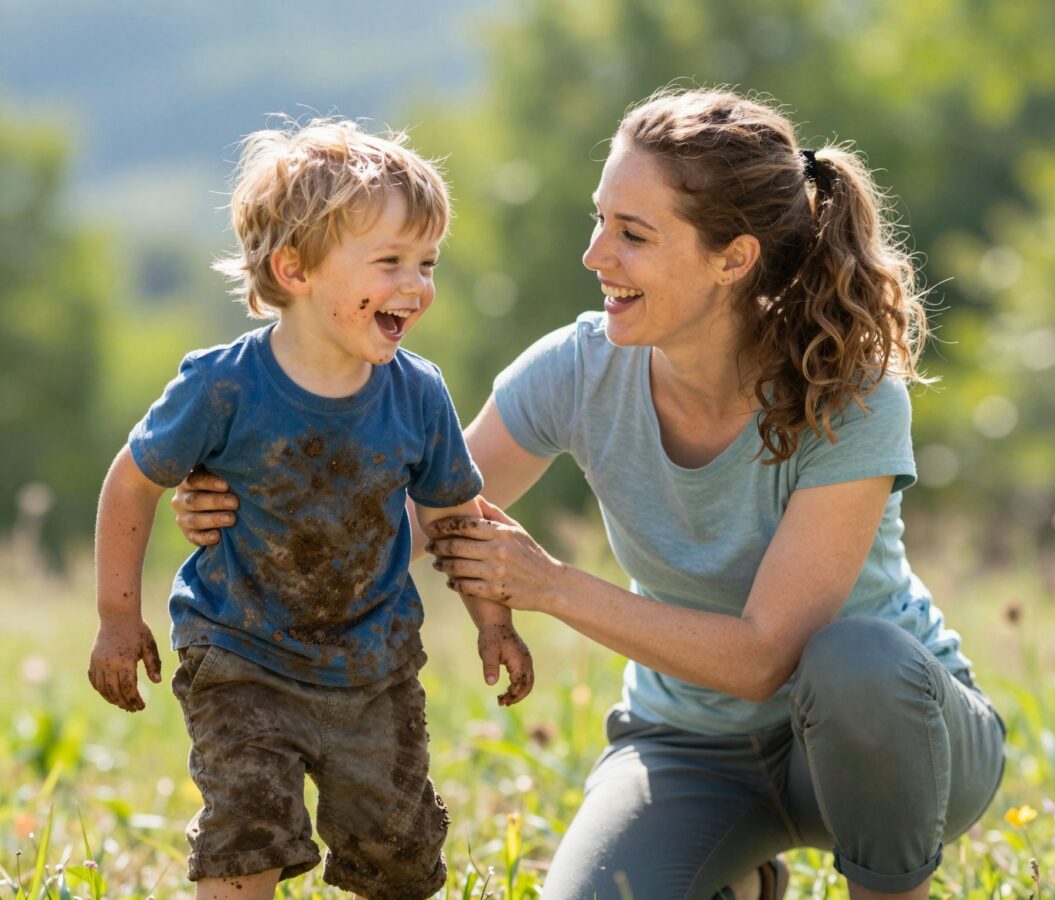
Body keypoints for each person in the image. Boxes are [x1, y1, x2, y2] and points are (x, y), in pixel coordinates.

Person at [173, 89, 1006, 899]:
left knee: (856, 661)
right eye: (599, 219)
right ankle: (739, 880)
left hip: (897, 742)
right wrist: (256, 513)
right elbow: (414, 517)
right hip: (692, 747)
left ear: (734, 259)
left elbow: (763, 660)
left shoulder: (850, 394)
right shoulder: (579, 368)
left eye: (632, 234)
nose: (595, 254)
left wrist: (552, 587)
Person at [88, 118, 534, 900]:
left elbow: (454, 516)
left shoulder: (418, 394)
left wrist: (493, 622)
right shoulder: (223, 387)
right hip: (241, 653)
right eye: (390, 262)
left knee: (396, 852)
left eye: (427, 263)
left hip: (374, 664)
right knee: (247, 825)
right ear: (293, 268)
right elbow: (132, 482)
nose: (416, 286)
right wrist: (117, 618)